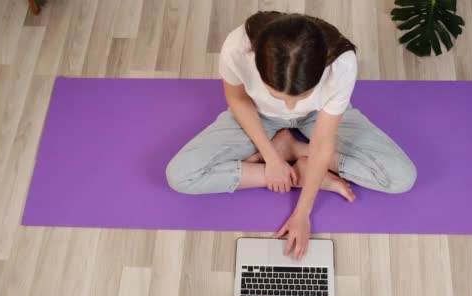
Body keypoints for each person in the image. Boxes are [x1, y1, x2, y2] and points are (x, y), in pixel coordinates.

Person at [166, 11, 416, 259]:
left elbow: (323, 140)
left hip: (319, 116)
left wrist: (302, 213)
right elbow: (238, 99)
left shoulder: (342, 62)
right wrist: (271, 158)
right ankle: (297, 170)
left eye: (301, 96)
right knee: (180, 176)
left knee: (401, 178)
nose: (290, 108)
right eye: (278, 96)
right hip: (258, 116)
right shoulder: (237, 47)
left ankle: (295, 149)